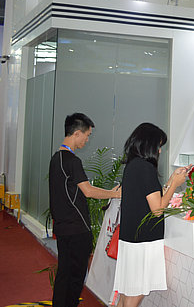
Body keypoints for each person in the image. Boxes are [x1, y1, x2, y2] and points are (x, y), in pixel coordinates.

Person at [113, 123, 192, 307]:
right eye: (158, 145)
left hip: (132, 238)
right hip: (143, 241)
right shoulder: (145, 168)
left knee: (127, 294)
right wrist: (175, 184)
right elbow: (157, 209)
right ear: (148, 144)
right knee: (135, 294)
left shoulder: (134, 165)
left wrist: (172, 180)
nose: (160, 151)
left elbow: (152, 197)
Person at [49, 113, 122, 307]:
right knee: (75, 277)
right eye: (87, 135)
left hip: (63, 227)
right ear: (77, 133)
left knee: (64, 274)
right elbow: (88, 191)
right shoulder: (73, 162)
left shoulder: (56, 159)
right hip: (77, 229)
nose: (87, 140)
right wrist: (114, 194)